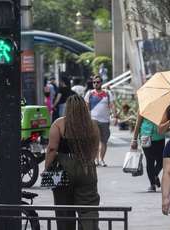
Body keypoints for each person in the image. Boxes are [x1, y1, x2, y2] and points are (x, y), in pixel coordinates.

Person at [44, 94, 100, 230]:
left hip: (63, 169)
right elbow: (95, 148)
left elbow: (52, 149)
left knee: (64, 209)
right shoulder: (92, 125)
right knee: (88, 209)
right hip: (87, 167)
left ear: (67, 108)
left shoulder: (58, 124)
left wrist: (46, 168)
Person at [84, 75, 117, 167]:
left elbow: (112, 105)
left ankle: (101, 159)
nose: (95, 84)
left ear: (101, 83)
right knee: (95, 140)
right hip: (93, 120)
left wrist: (114, 115)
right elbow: (86, 107)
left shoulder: (107, 93)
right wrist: (85, 118)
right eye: (94, 82)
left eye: (98, 82)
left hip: (105, 120)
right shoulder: (89, 93)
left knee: (104, 141)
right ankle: (95, 159)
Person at [131, 112, 165, 192]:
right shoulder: (144, 107)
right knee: (150, 161)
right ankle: (152, 184)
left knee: (162, 160)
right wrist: (134, 139)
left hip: (159, 137)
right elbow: (138, 124)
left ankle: (155, 175)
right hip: (146, 136)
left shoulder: (162, 108)